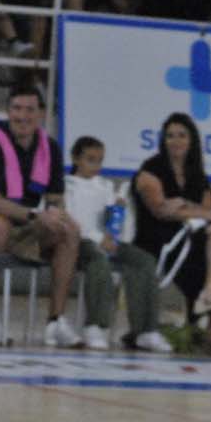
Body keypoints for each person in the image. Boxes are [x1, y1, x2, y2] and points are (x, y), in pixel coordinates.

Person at [0, 84, 84, 348]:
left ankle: (55, 321)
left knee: (69, 230)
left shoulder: (50, 148)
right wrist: (34, 215)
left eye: (30, 110)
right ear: (7, 112)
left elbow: (55, 199)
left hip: (26, 222)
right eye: (17, 109)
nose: (23, 116)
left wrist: (56, 214)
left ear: (40, 114)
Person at [133, 112, 211, 354]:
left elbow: (208, 213)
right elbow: (160, 211)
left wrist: (183, 204)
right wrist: (198, 211)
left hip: (191, 236)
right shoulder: (150, 170)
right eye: (170, 136)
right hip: (157, 238)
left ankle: (209, 299)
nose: (175, 141)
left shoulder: (197, 173)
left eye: (181, 135)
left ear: (192, 140)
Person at [64, 135, 169, 352]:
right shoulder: (67, 186)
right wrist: (99, 238)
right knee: (98, 259)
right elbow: (71, 220)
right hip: (79, 241)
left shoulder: (106, 186)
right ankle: (96, 326)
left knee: (144, 261)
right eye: (90, 160)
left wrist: (121, 210)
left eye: (99, 160)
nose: (96, 166)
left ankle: (146, 330)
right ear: (75, 159)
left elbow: (117, 223)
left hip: (108, 241)